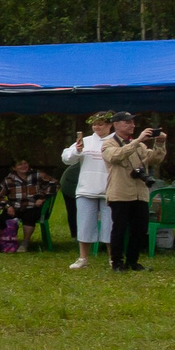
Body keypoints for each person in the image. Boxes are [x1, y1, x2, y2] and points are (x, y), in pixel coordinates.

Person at [101, 112, 168, 272]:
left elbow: (155, 159)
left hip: (140, 193)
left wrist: (159, 143)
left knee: (140, 229)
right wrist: (138, 140)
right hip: (120, 192)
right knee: (120, 228)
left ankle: (133, 261)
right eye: (127, 122)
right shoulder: (108, 143)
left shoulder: (140, 146)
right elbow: (116, 156)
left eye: (133, 122)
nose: (132, 125)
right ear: (116, 124)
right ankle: (117, 262)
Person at [61, 111, 114, 269]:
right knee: (84, 224)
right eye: (95, 124)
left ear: (110, 125)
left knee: (110, 225)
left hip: (110, 189)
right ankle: (83, 258)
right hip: (86, 189)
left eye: (101, 124)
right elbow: (66, 159)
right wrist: (77, 150)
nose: (97, 127)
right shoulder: (85, 141)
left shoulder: (116, 141)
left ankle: (113, 258)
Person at [0, 159, 55, 250]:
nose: (24, 166)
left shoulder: (37, 175)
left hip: (32, 206)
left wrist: (42, 197)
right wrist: (7, 206)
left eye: (25, 163)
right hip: (15, 207)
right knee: (1, 219)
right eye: (20, 164)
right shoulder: (9, 180)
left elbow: (54, 184)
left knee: (30, 216)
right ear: (14, 168)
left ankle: (25, 243)